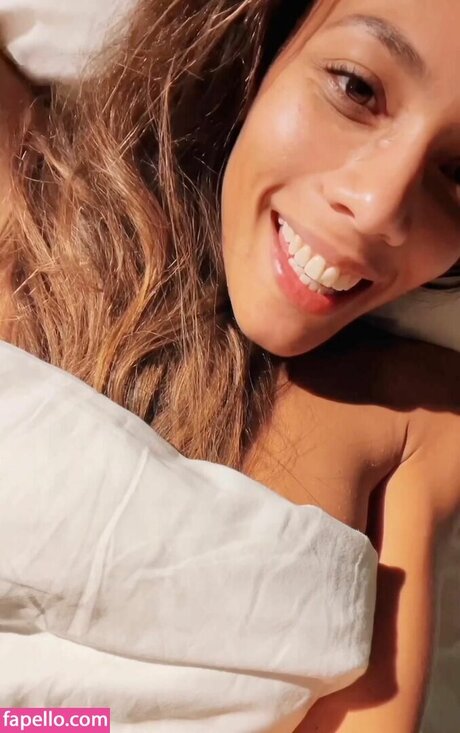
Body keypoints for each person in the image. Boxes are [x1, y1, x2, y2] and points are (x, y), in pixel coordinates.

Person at [0, 0, 459, 730]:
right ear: (262, 43)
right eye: (355, 87)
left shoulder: (419, 418)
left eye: (459, 171)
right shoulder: (28, 190)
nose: (380, 207)